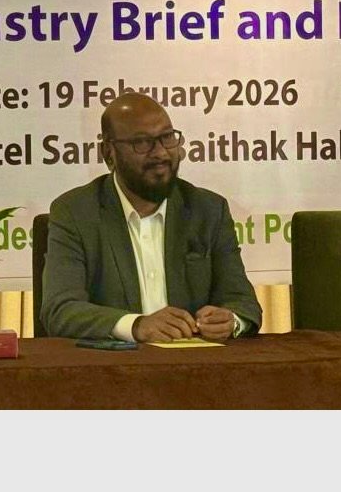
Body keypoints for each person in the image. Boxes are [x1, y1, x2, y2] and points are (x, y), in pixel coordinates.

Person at [40, 92, 262, 342]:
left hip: (194, 361)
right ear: (109, 152)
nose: (161, 153)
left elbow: (243, 303)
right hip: (115, 363)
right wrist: (136, 326)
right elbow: (61, 309)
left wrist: (231, 321)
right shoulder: (76, 212)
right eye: (142, 142)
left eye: (167, 137)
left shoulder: (208, 210)